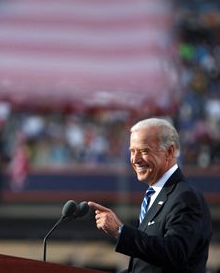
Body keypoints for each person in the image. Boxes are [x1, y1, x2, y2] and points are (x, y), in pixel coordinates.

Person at [88, 117, 212, 272]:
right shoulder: (154, 195)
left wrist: (120, 231)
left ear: (169, 152)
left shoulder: (185, 197)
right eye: (132, 151)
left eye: (144, 151)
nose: (135, 159)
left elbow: (175, 253)